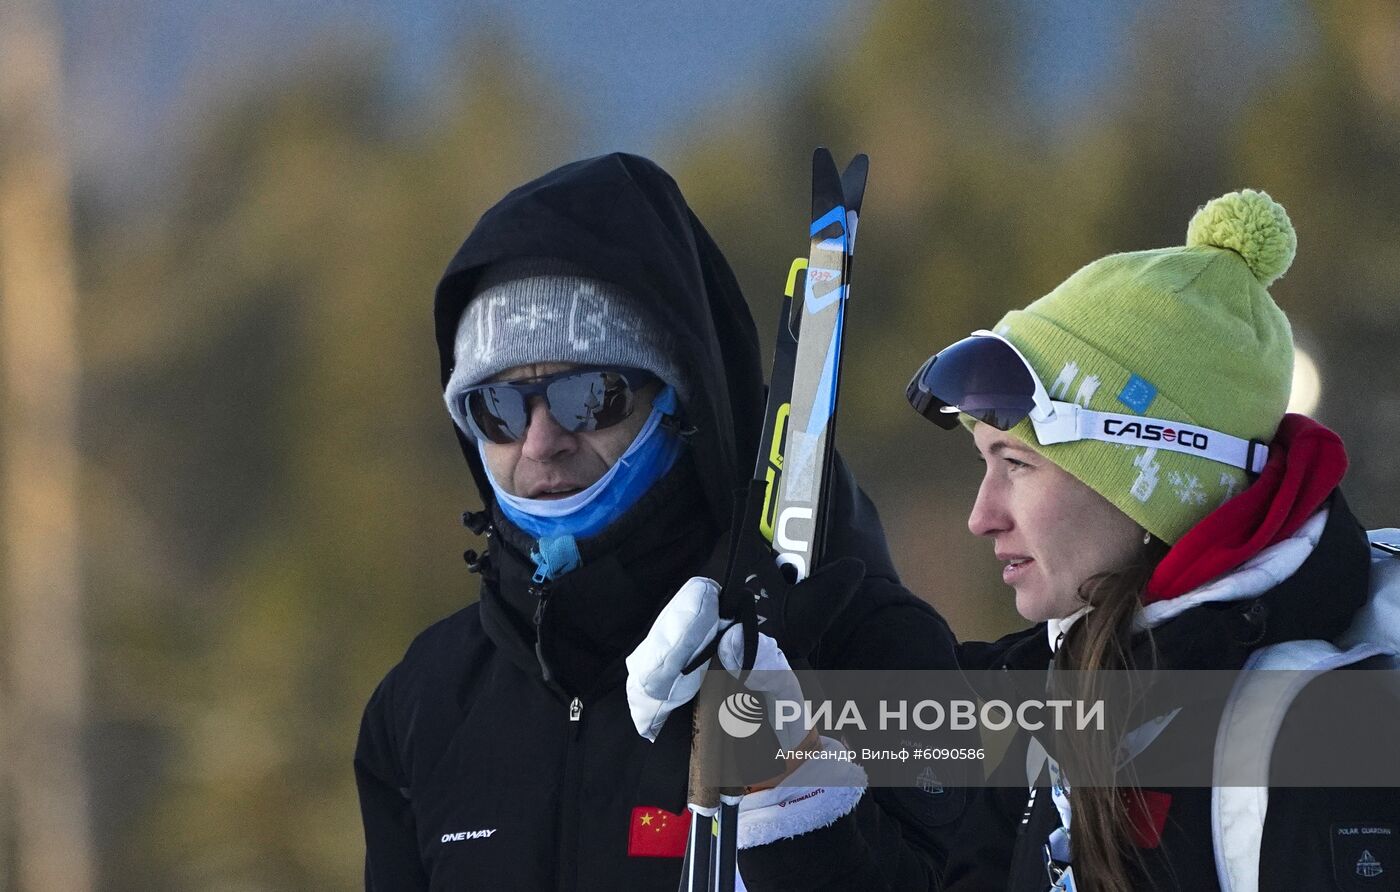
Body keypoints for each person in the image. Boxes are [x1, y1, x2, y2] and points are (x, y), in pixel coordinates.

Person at [354, 153, 965, 890]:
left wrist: (799, 785)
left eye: (591, 397)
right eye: (499, 408)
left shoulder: (865, 646)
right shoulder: (427, 699)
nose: (541, 441)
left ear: (682, 404)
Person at [906, 189, 1400, 891]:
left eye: (1017, 465)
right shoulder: (1063, 696)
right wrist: (793, 810)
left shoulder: (1313, 742)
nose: (981, 515)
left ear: (1150, 477)